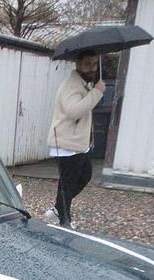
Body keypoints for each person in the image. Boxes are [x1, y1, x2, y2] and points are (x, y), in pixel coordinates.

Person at [44, 50, 106, 229]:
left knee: (83, 175)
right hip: (66, 142)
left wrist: (94, 90)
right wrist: (97, 92)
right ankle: (64, 220)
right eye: (87, 64)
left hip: (76, 143)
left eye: (94, 64)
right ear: (78, 64)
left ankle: (58, 209)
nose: (92, 68)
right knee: (69, 181)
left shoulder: (83, 83)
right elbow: (74, 111)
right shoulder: (72, 84)